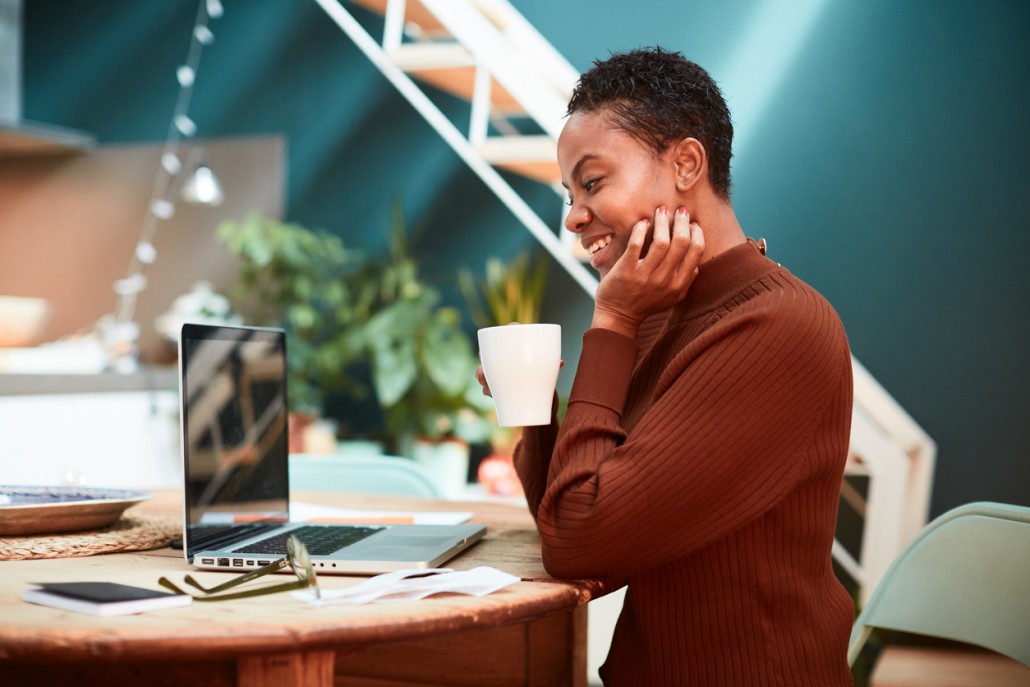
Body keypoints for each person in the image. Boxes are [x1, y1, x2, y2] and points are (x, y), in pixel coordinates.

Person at [478, 47, 855, 685]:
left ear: (685, 163)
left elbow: (580, 543)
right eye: (570, 194)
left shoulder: (778, 329)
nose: (573, 217)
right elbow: (567, 520)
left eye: (592, 183)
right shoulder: (661, 314)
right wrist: (535, 406)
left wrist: (614, 321)